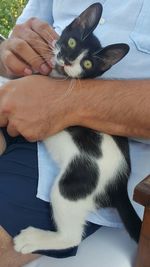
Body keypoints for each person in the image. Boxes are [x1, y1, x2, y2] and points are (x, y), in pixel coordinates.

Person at [0, 0, 150, 266]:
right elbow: (15, 41)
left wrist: (68, 103)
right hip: (20, 97)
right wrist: (12, 53)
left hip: (86, 154)